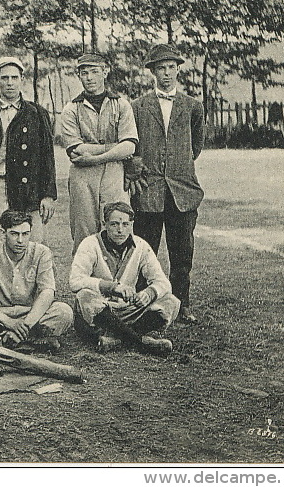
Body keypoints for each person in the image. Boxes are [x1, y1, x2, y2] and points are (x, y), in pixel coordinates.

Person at [131, 44, 205, 325]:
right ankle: (141, 304)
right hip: (148, 193)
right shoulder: (138, 107)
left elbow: (195, 146)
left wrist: (177, 170)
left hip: (182, 193)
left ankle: (181, 304)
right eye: (161, 68)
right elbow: (133, 146)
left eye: (171, 67)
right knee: (144, 251)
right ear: (152, 72)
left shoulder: (192, 107)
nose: (166, 73)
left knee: (182, 254)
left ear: (178, 69)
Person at [70, 202, 180, 356]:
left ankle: (115, 338)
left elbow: (162, 282)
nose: (120, 230)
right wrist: (112, 287)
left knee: (171, 301)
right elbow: (75, 280)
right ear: (104, 224)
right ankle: (140, 341)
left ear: (131, 225)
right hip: (102, 311)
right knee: (84, 296)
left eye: (125, 224)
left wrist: (149, 292)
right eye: (114, 224)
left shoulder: (141, 246)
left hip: (128, 310)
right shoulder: (90, 244)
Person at [0, 210, 71, 352]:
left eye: (25, 234)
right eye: (14, 234)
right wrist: (8, 322)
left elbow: (47, 292)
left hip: (29, 313)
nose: (20, 240)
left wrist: (27, 323)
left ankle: (5, 339)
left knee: (63, 311)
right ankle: (30, 340)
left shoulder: (41, 253)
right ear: (3, 233)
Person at [0, 57, 57, 245]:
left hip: (29, 187)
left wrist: (48, 195)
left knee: (33, 243)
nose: (10, 83)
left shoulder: (36, 113)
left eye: (14, 78)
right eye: (5, 78)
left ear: (22, 80)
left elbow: (47, 157)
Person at [59, 53, 138, 253]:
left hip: (114, 173)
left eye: (95, 72)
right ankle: (84, 283)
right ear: (79, 76)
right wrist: (115, 147)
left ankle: (117, 282)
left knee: (118, 227)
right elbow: (76, 149)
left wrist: (96, 157)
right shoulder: (71, 109)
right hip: (82, 176)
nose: (90, 78)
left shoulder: (121, 104)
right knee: (84, 232)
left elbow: (130, 146)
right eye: (84, 73)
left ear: (105, 72)